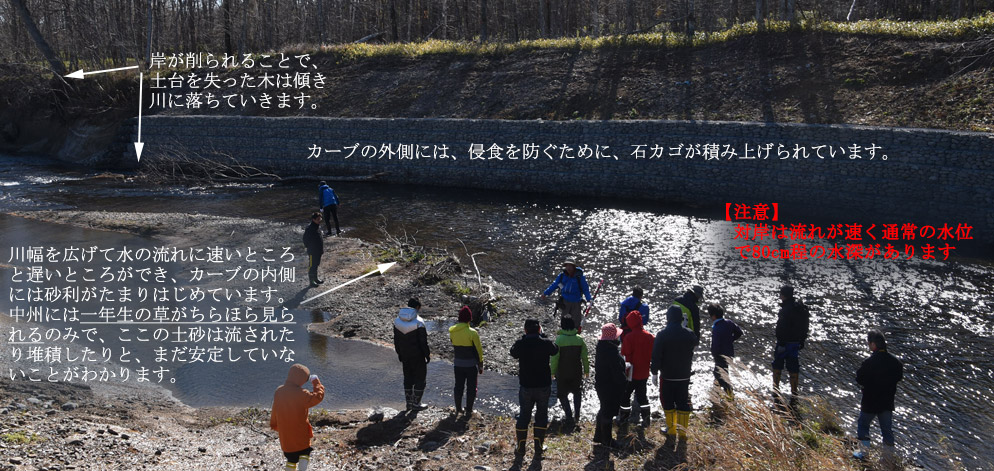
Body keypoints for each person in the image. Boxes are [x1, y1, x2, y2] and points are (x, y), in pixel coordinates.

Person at [510, 319, 560, 456]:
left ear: (525, 330)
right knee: (541, 416)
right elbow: (555, 350)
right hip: (543, 385)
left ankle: (521, 448)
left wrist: (523, 338)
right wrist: (543, 336)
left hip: (526, 385)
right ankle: (539, 447)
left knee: (524, 416)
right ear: (539, 329)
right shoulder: (545, 342)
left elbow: (513, 352)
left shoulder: (521, 343)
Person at [853, 330, 904, 460]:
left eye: (869, 343)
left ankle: (863, 454)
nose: (868, 345)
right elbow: (899, 377)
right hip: (887, 402)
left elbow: (859, 378)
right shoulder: (896, 362)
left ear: (873, 344)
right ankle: (888, 458)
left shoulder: (869, 362)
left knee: (863, 425)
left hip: (870, 402)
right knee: (887, 430)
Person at [651, 305, 699, 438]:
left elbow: (656, 355)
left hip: (668, 375)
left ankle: (671, 429)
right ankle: (682, 432)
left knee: (668, 402)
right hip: (684, 375)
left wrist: (654, 372)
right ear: (681, 318)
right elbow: (695, 342)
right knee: (683, 402)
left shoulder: (662, 334)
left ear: (668, 318)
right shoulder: (688, 333)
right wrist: (685, 326)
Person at [270, 364, 325, 471]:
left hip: (285, 436)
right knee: (305, 452)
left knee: (291, 459)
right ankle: (302, 469)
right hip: (300, 433)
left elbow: (275, 409)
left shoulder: (279, 391)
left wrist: (274, 424)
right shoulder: (302, 394)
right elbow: (318, 397)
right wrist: (316, 382)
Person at [550, 317, 589, 430]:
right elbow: (585, 357)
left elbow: (554, 358)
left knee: (562, 394)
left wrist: (552, 372)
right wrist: (586, 371)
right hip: (576, 371)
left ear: (562, 326)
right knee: (577, 392)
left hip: (562, 372)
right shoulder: (579, 339)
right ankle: (577, 415)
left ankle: (569, 415)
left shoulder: (559, 340)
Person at [620, 309, 655, 431]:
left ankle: (624, 420)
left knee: (625, 396)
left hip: (631, 373)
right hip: (644, 373)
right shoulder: (650, 337)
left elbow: (625, 354)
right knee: (642, 397)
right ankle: (646, 420)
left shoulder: (629, 337)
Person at [593, 323, 627, 448]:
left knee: (603, 409)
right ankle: (607, 441)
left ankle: (598, 435)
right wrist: (624, 382)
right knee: (608, 413)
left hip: (601, 385)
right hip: (610, 387)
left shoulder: (601, 348)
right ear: (613, 338)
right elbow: (617, 374)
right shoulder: (612, 353)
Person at [772, 285, 810, 396]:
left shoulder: (785, 309)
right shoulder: (800, 308)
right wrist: (802, 340)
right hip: (795, 343)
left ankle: (775, 390)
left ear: (783, 295)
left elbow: (781, 327)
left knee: (777, 366)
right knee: (793, 368)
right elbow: (805, 326)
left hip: (783, 343)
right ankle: (794, 392)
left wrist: (780, 340)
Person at [393, 298, 430, 412]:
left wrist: (399, 353)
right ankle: (416, 403)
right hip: (418, 356)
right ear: (417, 307)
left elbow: (396, 341)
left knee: (408, 378)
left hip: (404, 355)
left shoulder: (397, 321)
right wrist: (427, 355)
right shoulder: (419, 322)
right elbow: (423, 342)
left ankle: (408, 404)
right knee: (420, 379)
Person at [448, 306, 483, 417]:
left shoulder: (452, 331)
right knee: (471, 387)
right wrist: (480, 364)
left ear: (459, 318)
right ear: (470, 318)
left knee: (458, 386)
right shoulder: (473, 333)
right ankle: (469, 410)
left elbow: (453, 343)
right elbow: (478, 351)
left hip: (458, 364)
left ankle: (458, 409)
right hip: (471, 365)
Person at [541, 260, 593, 331]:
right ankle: (564, 332)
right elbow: (554, 285)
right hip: (565, 301)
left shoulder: (579, 277)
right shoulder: (562, 276)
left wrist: (589, 299)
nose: (568, 268)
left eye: (570, 266)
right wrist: (545, 293)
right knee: (564, 320)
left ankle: (575, 334)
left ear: (574, 267)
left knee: (576, 320)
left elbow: (585, 289)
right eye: (567, 266)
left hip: (576, 302)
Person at [708, 303, 743, 396]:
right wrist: (731, 339)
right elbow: (739, 332)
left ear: (713, 316)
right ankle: (718, 394)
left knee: (720, 375)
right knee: (724, 372)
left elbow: (715, 344)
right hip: (729, 354)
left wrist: (714, 353)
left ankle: (727, 394)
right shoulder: (729, 323)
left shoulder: (716, 328)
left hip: (719, 355)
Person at [302, 212, 324, 288]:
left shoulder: (317, 227)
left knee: (316, 265)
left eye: (320, 219)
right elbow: (305, 240)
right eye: (318, 219)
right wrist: (310, 247)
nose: (320, 220)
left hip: (318, 251)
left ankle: (316, 279)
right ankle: (311, 281)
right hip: (312, 251)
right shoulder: (309, 228)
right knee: (312, 266)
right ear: (313, 219)